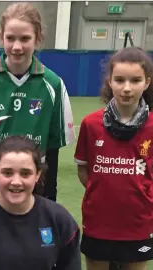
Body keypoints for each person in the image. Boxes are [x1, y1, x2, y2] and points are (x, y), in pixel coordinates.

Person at [0, 2, 76, 214]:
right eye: (10, 38)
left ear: (38, 38)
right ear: (1, 37)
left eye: (25, 39)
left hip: (34, 185)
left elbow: (52, 152)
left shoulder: (53, 85)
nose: (17, 46)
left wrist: (50, 200)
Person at [74, 47, 153, 270]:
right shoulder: (91, 124)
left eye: (135, 80)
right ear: (110, 81)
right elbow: (84, 171)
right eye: (119, 80)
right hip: (99, 221)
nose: (126, 88)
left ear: (146, 83)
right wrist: (104, 191)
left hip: (138, 222)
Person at [0, 135, 81, 270]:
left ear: (37, 174)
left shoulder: (60, 221)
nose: (16, 182)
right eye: (7, 173)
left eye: (25, 173)